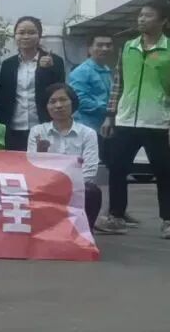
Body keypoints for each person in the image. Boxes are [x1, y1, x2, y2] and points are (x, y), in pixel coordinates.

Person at [98, 0, 170, 239]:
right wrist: (110, 115)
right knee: (117, 169)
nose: (141, 19)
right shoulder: (128, 46)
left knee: (165, 173)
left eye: (148, 16)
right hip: (125, 120)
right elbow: (118, 83)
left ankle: (168, 222)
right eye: (140, 15)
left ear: (163, 20)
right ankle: (116, 217)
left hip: (158, 122)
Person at [27, 83, 105, 233]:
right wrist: (41, 152)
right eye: (52, 101)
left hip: (77, 187)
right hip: (45, 186)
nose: (58, 105)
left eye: (63, 100)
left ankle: (84, 234)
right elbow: (32, 168)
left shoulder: (88, 133)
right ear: (46, 107)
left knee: (93, 191)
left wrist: (67, 187)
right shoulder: (37, 132)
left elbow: (90, 170)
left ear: (73, 103)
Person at [0, 16, 66, 151]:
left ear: (39, 36)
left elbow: (59, 93)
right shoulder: (8, 64)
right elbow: (2, 97)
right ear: (15, 36)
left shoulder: (54, 61)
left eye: (31, 32)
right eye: (21, 33)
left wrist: (47, 70)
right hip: (13, 127)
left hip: (44, 126)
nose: (26, 36)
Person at [68, 32, 114, 133]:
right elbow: (80, 101)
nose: (105, 49)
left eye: (108, 45)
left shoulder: (107, 70)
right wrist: (110, 110)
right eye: (100, 45)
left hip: (105, 126)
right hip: (86, 127)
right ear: (89, 48)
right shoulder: (81, 71)